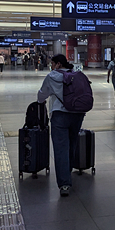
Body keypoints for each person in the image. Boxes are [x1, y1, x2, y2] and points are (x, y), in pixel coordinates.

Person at [37, 54, 86, 197]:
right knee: (72, 144)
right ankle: (67, 171)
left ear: (58, 64)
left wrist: (40, 102)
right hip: (77, 114)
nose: (51, 66)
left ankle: (64, 183)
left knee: (60, 148)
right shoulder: (77, 75)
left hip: (60, 115)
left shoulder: (52, 76)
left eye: (52, 64)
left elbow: (42, 94)